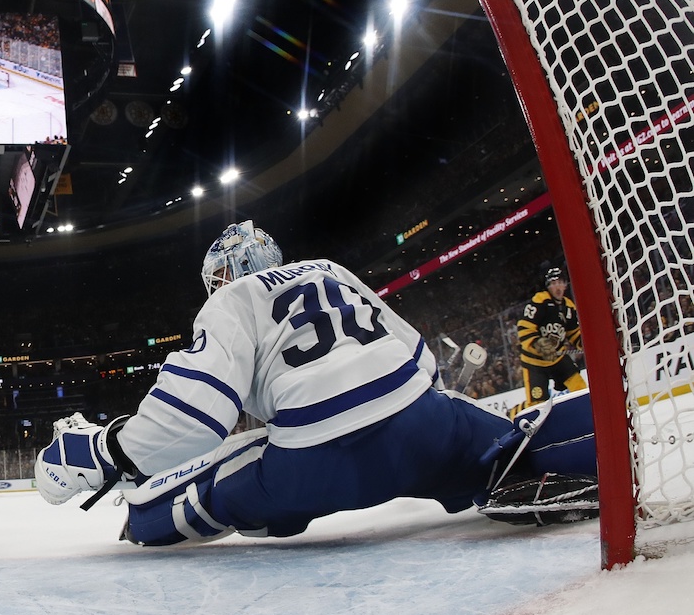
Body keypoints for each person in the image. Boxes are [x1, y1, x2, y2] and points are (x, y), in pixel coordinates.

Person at [34, 221, 599, 545]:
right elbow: (422, 361)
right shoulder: (330, 268)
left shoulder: (234, 299)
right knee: (504, 440)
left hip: (316, 462)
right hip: (424, 427)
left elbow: (194, 420)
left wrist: (111, 448)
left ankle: (142, 523)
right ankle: (598, 441)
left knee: (214, 482)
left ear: (225, 276)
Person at [515, 266, 585, 412]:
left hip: (557, 358)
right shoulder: (541, 301)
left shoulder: (569, 307)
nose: (557, 286)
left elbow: (573, 333)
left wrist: (585, 344)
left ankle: (587, 415)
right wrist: (538, 343)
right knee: (537, 405)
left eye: (560, 282)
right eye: (553, 283)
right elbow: (524, 327)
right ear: (548, 286)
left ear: (565, 285)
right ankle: (514, 413)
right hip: (534, 362)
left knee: (580, 388)